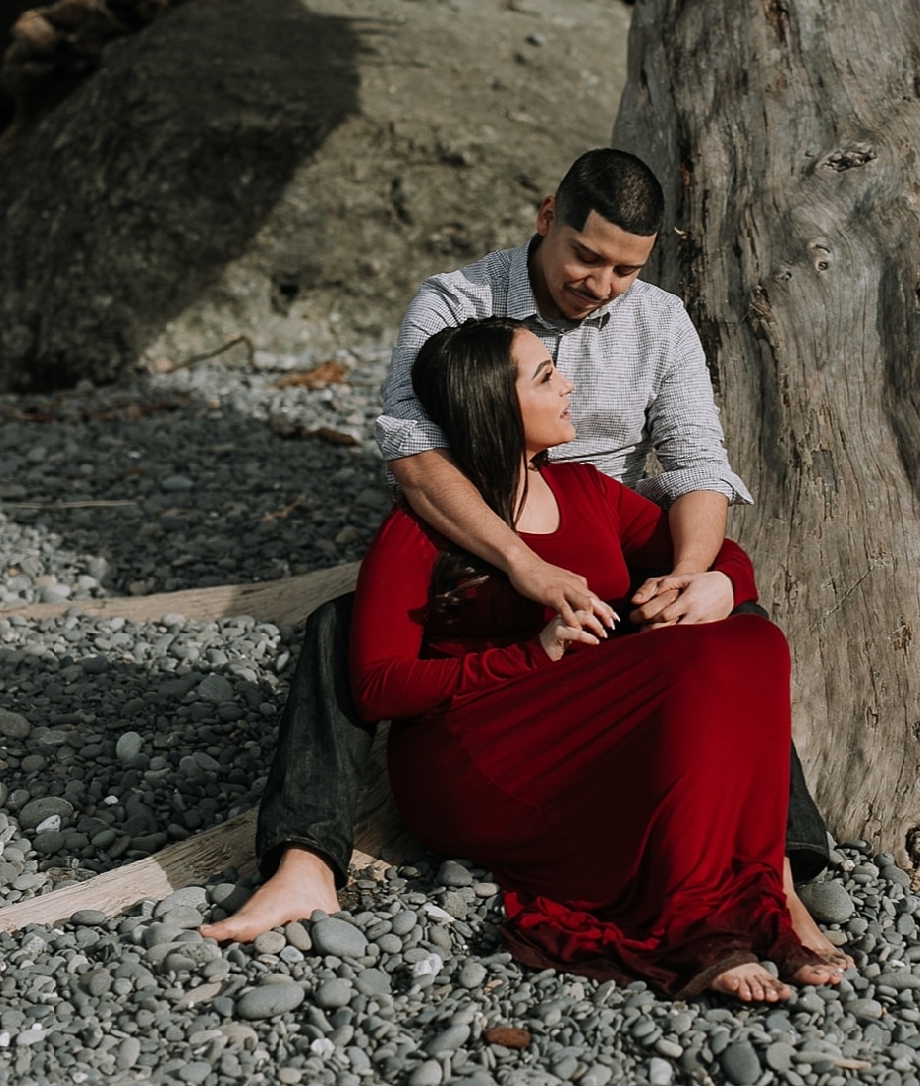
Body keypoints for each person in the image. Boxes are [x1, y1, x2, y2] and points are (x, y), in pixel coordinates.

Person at [206, 149, 839, 964]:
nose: (603, 284)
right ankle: (303, 859)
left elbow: (695, 463)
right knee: (343, 631)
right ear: (548, 217)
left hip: (609, 529)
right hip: (476, 532)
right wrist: (519, 561)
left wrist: (693, 575)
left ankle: (777, 867)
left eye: (626, 269)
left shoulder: (658, 320)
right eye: (588, 257)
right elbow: (412, 453)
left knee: (735, 622)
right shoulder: (458, 301)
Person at [348, 317, 831, 1000]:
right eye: (545, 376)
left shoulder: (586, 491)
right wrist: (529, 656)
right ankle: (703, 930)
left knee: (752, 639)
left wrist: (716, 581)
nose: (568, 385)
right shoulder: (421, 527)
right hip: (473, 755)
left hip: (584, 733)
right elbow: (377, 686)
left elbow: (720, 553)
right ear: (493, 405)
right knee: (688, 665)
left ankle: (757, 904)